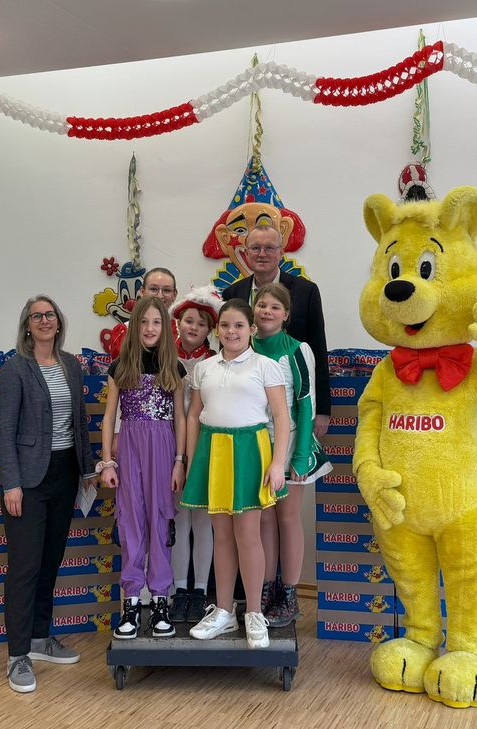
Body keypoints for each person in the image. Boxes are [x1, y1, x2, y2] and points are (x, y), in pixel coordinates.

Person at [0, 295, 96, 694]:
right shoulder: (15, 369)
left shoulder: (71, 365)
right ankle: (17, 655)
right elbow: (4, 431)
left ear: (59, 322)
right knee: (24, 567)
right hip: (28, 480)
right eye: (36, 316)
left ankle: (40, 639)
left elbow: (80, 421)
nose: (43, 321)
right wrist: (11, 483)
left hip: (64, 473)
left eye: (49, 315)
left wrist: (87, 469)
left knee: (51, 561)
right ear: (26, 325)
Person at [181, 300, 289, 649]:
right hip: (213, 452)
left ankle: (254, 612)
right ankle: (224, 611)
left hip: (250, 450)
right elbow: (195, 416)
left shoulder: (266, 367)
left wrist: (277, 464)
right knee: (220, 534)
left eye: (239, 326)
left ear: (252, 330)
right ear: (218, 330)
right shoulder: (204, 369)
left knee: (248, 533)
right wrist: (192, 460)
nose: (231, 331)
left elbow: (282, 419)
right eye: (225, 325)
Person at [99, 297, 186, 640]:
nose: (150, 328)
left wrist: (180, 461)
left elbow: (180, 417)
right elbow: (109, 418)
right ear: (134, 326)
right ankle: (132, 602)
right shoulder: (120, 368)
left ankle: (161, 601)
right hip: (131, 447)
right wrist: (107, 461)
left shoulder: (174, 368)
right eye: (144, 322)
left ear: (165, 328)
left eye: (157, 322)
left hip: (163, 447)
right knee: (131, 521)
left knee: (160, 520)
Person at [251, 282, 331, 628]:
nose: (266, 311)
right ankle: (265, 588)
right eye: (261, 305)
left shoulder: (298, 350)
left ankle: (288, 591)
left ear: (286, 315)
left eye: (274, 307)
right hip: (252, 445)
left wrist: (298, 458)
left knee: (287, 518)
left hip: (290, 445)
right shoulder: (244, 344)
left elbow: (304, 403)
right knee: (263, 520)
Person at [220, 227, 331, 438]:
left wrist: (323, 410)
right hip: (245, 403)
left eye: (269, 248)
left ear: (281, 252)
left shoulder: (306, 291)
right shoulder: (233, 293)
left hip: (292, 404)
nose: (262, 254)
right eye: (255, 248)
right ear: (245, 253)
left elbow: (318, 348)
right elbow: (226, 348)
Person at [167, 285, 224, 623]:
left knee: (203, 520)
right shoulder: (164, 359)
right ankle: (178, 589)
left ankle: (200, 589)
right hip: (172, 448)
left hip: (206, 448)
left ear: (209, 330)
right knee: (178, 517)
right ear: (178, 322)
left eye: (201, 324)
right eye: (189, 321)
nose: (194, 328)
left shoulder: (215, 363)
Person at [101, 267, 178, 356]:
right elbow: (120, 368)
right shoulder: (125, 331)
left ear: (174, 294)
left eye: (167, 290)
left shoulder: (182, 331)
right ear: (142, 291)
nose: (160, 295)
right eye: (153, 289)